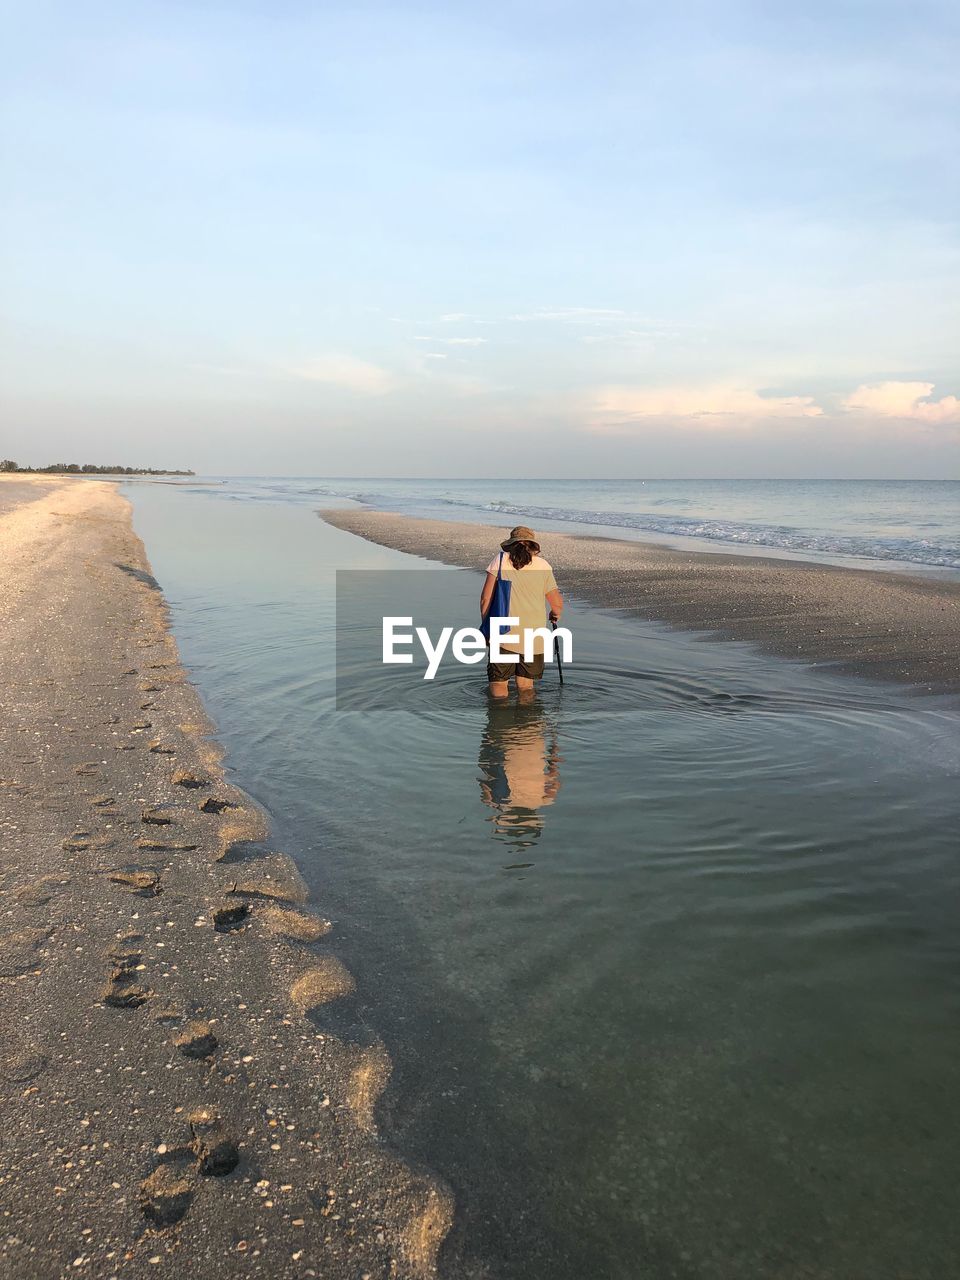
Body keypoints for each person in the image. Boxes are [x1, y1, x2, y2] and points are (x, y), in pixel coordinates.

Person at [480, 524, 563, 699]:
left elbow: (485, 599)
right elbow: (556, 604)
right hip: (534, 635)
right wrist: (554, 615)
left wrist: (488, 629)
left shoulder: (501, 561)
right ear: (533, 546)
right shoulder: (543, 566)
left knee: (498, 682)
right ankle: (528, 725)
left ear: (511, 544)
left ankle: (500, 721)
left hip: (504, 633)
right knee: (526, 686)